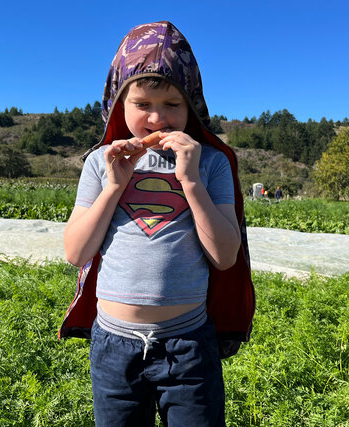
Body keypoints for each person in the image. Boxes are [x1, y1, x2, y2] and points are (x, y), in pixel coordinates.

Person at [60, 21, 255, 425]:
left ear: (192, 108)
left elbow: (223, 257)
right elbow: (75, 252)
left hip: (187, 344)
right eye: (143, 104)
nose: (157, 118)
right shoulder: (102, 162)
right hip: (114, 344)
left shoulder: (211, 163)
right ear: (119, 104)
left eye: (172, 105)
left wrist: (190, 179)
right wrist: (114, 186)